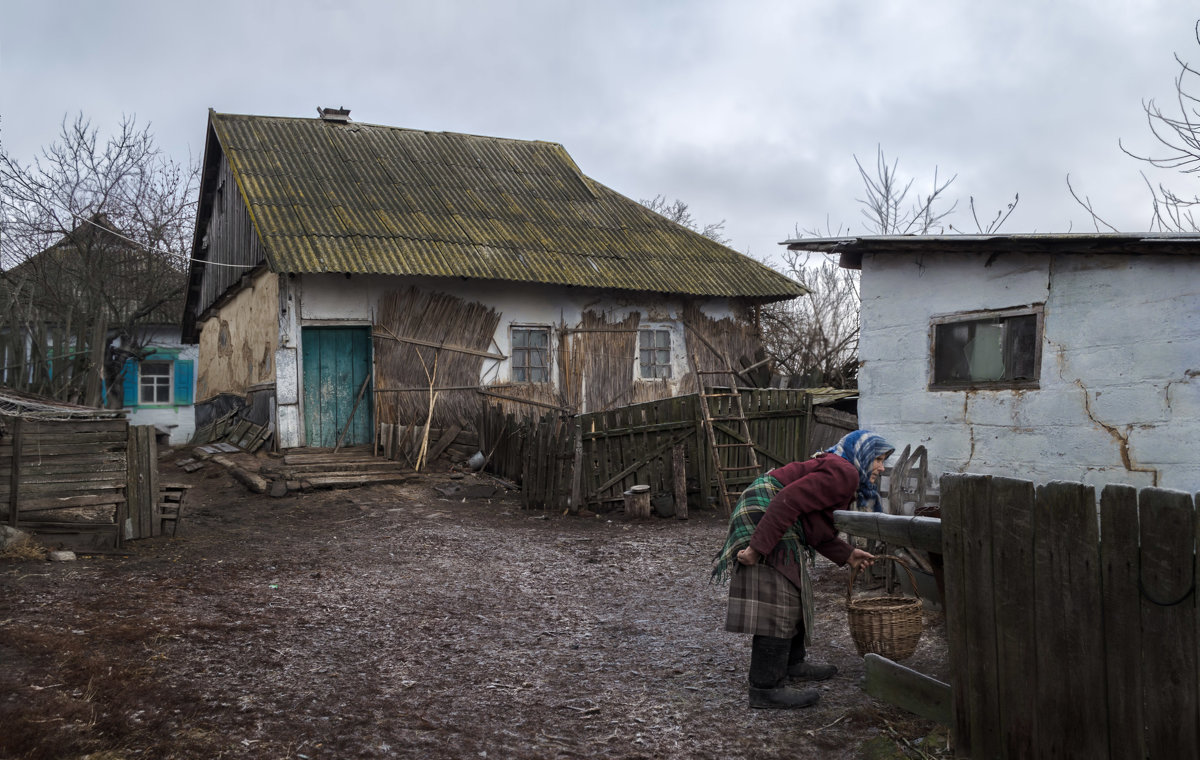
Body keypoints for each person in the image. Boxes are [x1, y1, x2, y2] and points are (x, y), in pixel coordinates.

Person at [711, 429, 894, 709]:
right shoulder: (845, 473)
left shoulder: (844, 474)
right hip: (765, 508)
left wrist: (847, 554)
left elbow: (812, 527)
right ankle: (765, 688)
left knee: (794, 592)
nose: (881, 468)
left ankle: (792, 665)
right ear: (863, 455)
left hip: (774, 509)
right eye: (878, 459)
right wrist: (756, 550)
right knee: (778, 597)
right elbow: (790, 501)